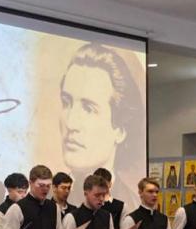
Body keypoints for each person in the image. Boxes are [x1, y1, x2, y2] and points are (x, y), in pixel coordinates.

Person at [59, 42, 143, 207]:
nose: (70, 122)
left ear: (120, 129)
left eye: (88, 108)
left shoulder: (131, 204)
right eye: (66, 102)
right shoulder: (50, 201)